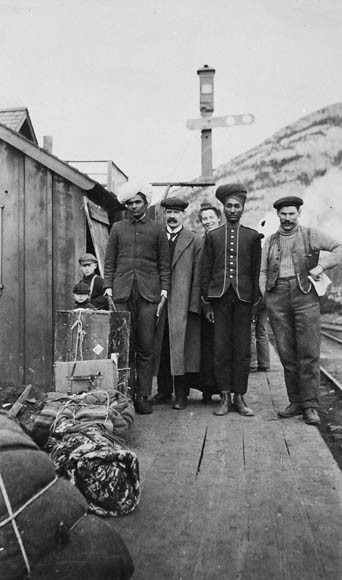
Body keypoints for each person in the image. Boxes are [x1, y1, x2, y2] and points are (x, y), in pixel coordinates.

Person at [260, 195, 342, 426]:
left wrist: (321, 265)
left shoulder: (311, 235)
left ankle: (310, 406)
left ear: (298, 214)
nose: (287, 219)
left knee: (307, 352)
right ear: (278, 215)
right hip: (277, 296)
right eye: (283, 214)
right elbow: (263, 272)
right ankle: (295, 402)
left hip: (305, 295)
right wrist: (265, 296)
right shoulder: (271, 241)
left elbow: (339, 247)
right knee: (286, 352)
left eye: (291, 214)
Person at [103, 181, 170, 415]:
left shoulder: (157, 229)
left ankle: (142, 395)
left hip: (149, 294)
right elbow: (109, 261)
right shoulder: (118, 228)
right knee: (123, 346)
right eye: (129, 203)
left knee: (145, 346)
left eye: (137, 202)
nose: (133, 206)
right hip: (122, 293)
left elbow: (164, 264)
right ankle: (124, 395)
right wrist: (109, 287)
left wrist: (164, 291)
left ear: (145, 202)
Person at [201, 183, 261, 417]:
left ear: (243, 208)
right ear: (223, 208)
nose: (233, 210)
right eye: (229, 206)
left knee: (242, 349)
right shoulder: (213, 237)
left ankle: (240, 396)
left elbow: (256, 272)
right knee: (221, 348)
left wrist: (256, 303)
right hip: (219, 299)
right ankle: (224, 396)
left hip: (244, 299)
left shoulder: (252, 237)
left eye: (237, 206)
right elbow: (205, 271)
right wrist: (206, 303)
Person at [153, 196, 203, 410]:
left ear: (184, 215)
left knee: (181, 349)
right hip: (159, 300)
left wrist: (193, 306)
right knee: (161, 345)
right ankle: (164, 391)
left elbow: (198, 276)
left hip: (182, 303)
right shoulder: (156, 237)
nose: (172, 216)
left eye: (176, 212)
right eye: (168, 212)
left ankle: (181, 394)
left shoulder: (194, 240)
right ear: (164, 215)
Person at [197, 202, 222, 402]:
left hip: (223, 298)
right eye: (204, 219)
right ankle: (207, 388)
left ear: (218, 219)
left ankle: (223, 388)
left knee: (222, 344)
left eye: (210, 218)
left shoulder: (224, 239)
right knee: (207, 345)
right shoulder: (201, 241)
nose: (207, 222)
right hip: (206, 299)